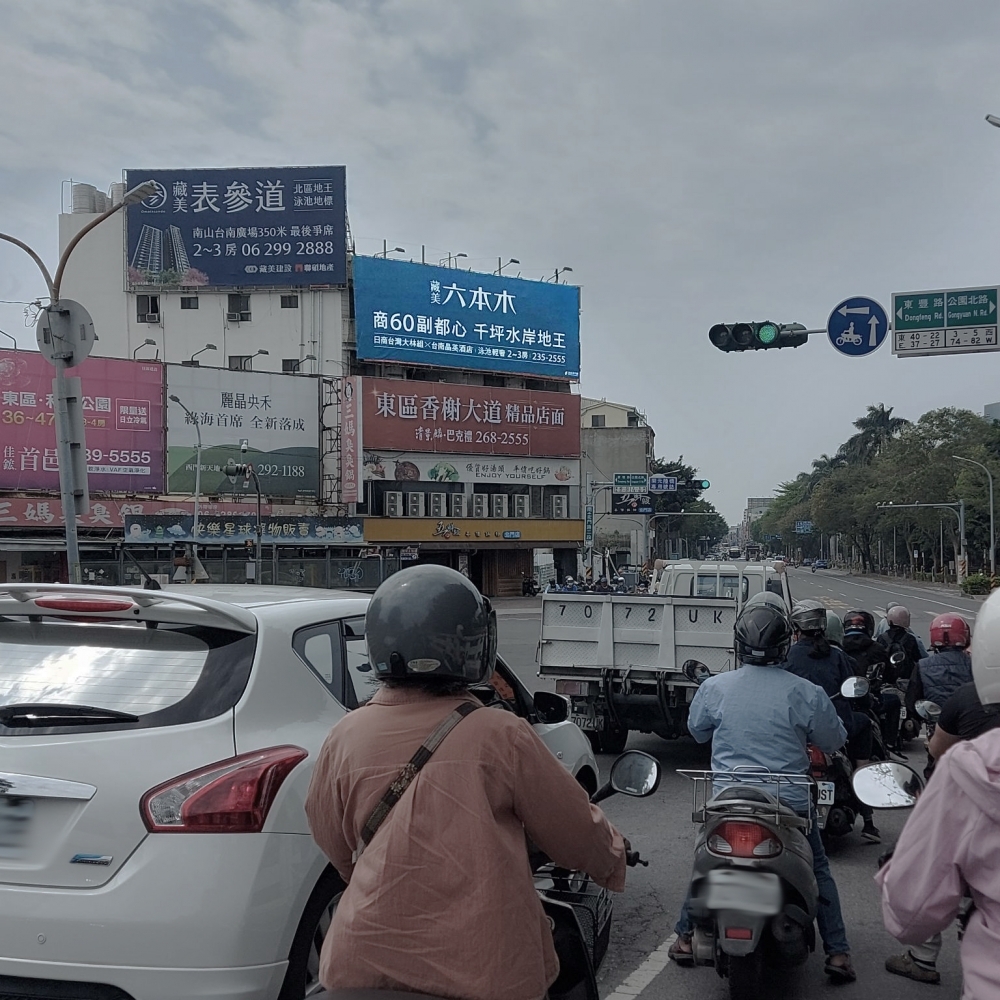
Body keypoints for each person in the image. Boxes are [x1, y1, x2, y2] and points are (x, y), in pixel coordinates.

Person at [304, 565, 628, 1000]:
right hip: (484, 972)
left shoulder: (345, 734)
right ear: (474, 645)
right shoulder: (501, 734)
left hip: (360, 966)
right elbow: (574, 832)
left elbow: (334, 841)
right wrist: (612, 858)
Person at [668, 597, 856, 982]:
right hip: (787, 806)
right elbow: (834, 737)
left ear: (738, 645)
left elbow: (696, 731)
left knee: (705, 861)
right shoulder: (804, 692)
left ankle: (685, 938)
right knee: (818, 869)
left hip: (728, 803)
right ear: (785, 644)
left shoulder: (716, 687)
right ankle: (837, 953)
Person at [875, 588, 1000, 999]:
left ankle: (924, 958)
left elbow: (913, 906)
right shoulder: (962, 678)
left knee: (935, 861)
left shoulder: (969, 769)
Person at [785, 600, 879, 842]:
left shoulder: (787, 656)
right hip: (837, 727)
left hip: (799, 728)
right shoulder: (837, 655)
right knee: (865, 724)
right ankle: (866, 801)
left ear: (796, 629)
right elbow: (856, 688)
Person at [843, 610, 901, 749]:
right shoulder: (877, 649)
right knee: (894, 701)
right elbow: (889, 674)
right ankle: (890, 743)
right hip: (869, 699)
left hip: (844, 700)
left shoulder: (837, 648)